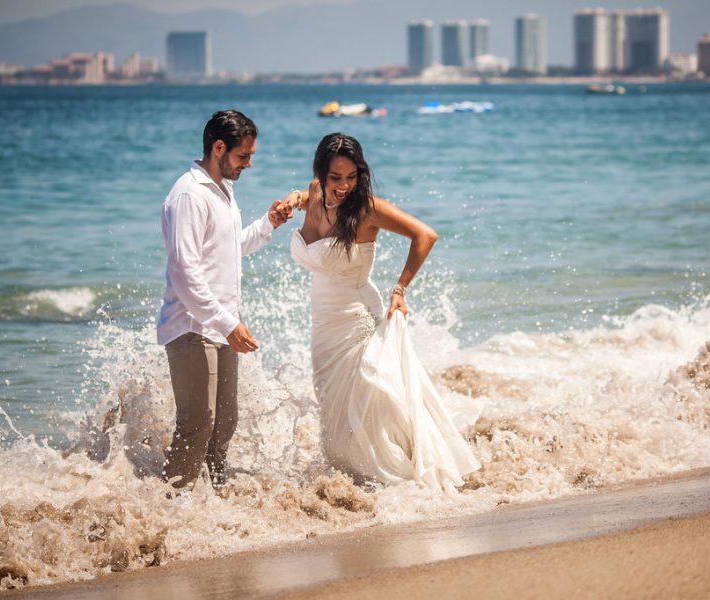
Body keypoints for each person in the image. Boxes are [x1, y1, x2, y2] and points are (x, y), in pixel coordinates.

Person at [288, 133, 480, 490]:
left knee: (371, 406)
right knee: (335, 414)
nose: (343, 186)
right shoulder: (315, 192)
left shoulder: (366, 209)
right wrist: (294, 199)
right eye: (335, 178)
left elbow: (425, 235)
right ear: (322, 174)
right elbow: (307, 197)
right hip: (324, 328)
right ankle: (348, 483)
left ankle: (393, 484)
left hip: (358, 321)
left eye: (351, 176)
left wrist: (400, 289)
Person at [157, 109, 295, 489]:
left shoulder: (223, 192)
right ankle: (171, 508)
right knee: (197, 422)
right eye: (243, 156)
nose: (248, 164)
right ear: (219, 147)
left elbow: (230, 248)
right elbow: (185, 272)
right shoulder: (189, 195)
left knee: (225, 422)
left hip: (219, 324)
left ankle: (213, 505)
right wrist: (227, 322)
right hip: (191, 327)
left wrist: (269, 223)